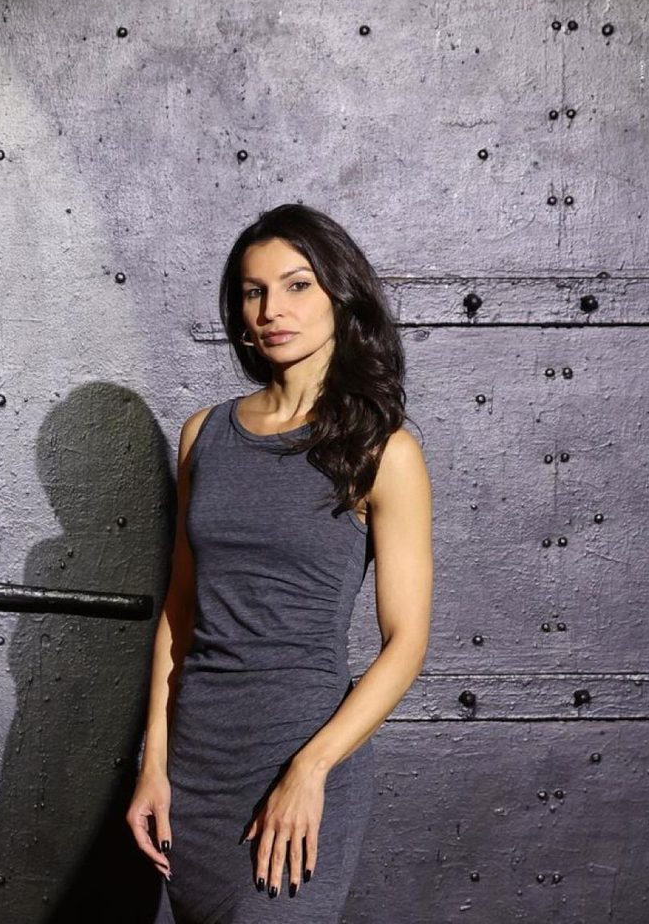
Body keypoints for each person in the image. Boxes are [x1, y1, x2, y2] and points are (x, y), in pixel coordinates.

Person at [125, 204, 433, 922]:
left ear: (340, 296)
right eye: (253, 291)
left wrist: (312, 768)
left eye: (297, 286)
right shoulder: (205, 432)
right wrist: (153, 764)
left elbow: (407, 643)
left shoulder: (384, 451)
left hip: (300, 751)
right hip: (195, 761)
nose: (272, 309)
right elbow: (180, 610)